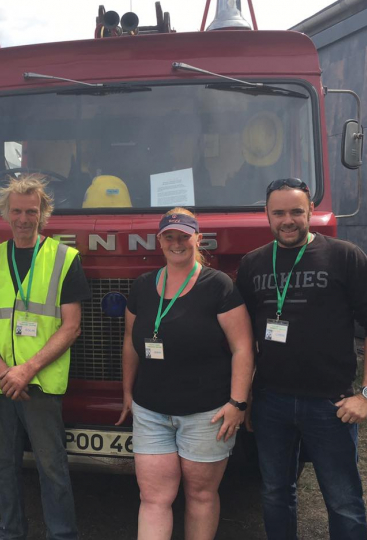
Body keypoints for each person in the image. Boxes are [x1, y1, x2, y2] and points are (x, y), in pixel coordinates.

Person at [236, 178, 367, 540]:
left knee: (343, 500)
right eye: (279, 213)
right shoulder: (253, 264)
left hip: (331, 403)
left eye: (295, 212)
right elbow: (242, 336)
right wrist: (245, 397)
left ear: (310, 212)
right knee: (275, 494)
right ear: (267, 215)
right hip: (270, 401)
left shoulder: (345, 256)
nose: (287, 220)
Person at [116, 208, 254, 540]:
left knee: (201, 495)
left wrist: (238, 403)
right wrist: (127, 394)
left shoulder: (218, 285)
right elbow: (131, 344)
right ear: (160, 241)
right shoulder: (143, 286)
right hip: (151, 412)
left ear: (198, 239)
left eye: (183, 236)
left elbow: (243, 347)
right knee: (153, 498)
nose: (177, 243)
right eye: (169, 237)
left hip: (206, 414)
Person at [0, 174, 91, 540]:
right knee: (2, 466)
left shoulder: (64, 258)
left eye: (32, 212)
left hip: (39, 382)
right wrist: (4, 371)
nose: (24, 219)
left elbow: (71, 327)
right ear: (6, 213)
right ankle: (11, 531)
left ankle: (62, 534)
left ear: (44, 215)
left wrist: (26, 370)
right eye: (17, 211)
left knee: (51, 467)